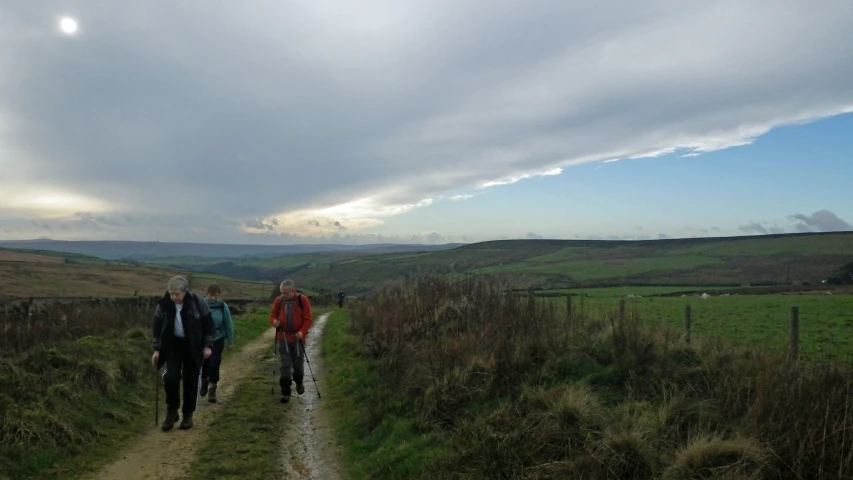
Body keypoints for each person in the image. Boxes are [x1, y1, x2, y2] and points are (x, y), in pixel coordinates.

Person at [151, 276, 214, 431]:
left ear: (185, 292)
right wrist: (157, 349)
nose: (174, 297)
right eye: (172, 293)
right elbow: (157, 330)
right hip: (172, 345)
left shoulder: (197, 303)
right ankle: (172, 411)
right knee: (170, 377)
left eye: (177, 294)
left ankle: (187, 414)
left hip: (193, 346)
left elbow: (208, 326)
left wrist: (207, 346)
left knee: (190, 380)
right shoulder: (164, 305)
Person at [269, 279, 313, 403]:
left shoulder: (302, 300)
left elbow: (308, 319)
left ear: (293, 291)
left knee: (298, 365)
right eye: (281, 292)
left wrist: (302, 332)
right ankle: (285, 392)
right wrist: (274, 322)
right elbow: (272, 316)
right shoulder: (279, 300)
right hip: (283, 337)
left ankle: (299, 382)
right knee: (285, 365)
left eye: (285, 293)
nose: (283, 295)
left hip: (298, 338)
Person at [200, 283, 235, 404]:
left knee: (214, 364)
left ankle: (212, 390)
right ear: (207, 294)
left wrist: (230, 340)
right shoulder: (201, 304)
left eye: (216, 295)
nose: (213, 298)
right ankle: (204, 381)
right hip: (203, 341)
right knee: (204, 363)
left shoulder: (222, 305)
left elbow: (228, 323)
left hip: (218, 339)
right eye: (211, 295)